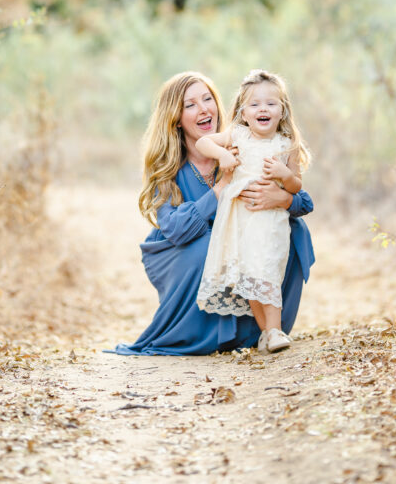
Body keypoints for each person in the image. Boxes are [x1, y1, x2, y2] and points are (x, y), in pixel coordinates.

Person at [112, 71, 314, 356]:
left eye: (208, 99)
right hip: (184, 254)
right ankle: (205, 332)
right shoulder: (168, 168)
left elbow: (304, 201)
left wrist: (281, 198)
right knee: (211, 245)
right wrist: (220, 189)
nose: (204, 108)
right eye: (190, 104)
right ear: (176, 118)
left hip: (250, 245)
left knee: (292, 230)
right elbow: (175, 229)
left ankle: (266, 328)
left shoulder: (247, 142)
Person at [196, 69, 310, 354]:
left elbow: (296, 187)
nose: (263, 109)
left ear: (282, 111)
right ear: (243, 112)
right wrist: (222, 155)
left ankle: (274, 330)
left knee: (267, 271)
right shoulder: (238, 135)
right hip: (239, 220)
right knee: (249, 278)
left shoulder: (287, 145)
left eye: (271, 104)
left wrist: (285, 174)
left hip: (270, 221)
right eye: (255, 104)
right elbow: (203, 142)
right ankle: (267, 333)